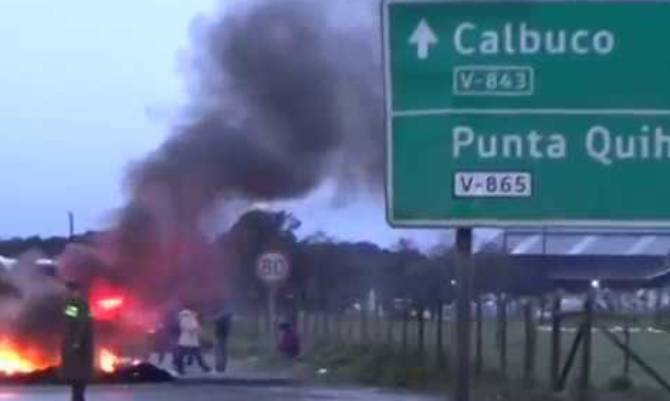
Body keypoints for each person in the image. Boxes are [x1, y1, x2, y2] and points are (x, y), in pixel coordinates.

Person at [61, 281, 94, 401]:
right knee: (75, 374)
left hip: (80, 346)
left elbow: (82, 323)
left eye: (69, 291)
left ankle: (78, 397)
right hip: (75, 344)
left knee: (79, 373)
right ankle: (77, 397)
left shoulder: (79, 304)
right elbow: (70, 322)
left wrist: (77, 341)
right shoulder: (72, 304)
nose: (67, 294)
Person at [174, 307, 211, 375]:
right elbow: (188, 327)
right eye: (196, 312)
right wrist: (196, 328)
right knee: (183, 355)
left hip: (191, 341)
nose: (197, 314)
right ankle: (180, 368)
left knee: (197, 355)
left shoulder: (191, 318)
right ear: (193, 311)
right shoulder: (186, 318)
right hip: (186, 341)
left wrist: (197, 329)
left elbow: (195, 328)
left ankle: (205, 367)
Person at [213, 303, 233, 373]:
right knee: (224, 352)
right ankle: (223, 367)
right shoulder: (228, 319)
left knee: (219, 352)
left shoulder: (220, 318)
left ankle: (219, 367)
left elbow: (215, 322)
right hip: (224, 337)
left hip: (219, 336)